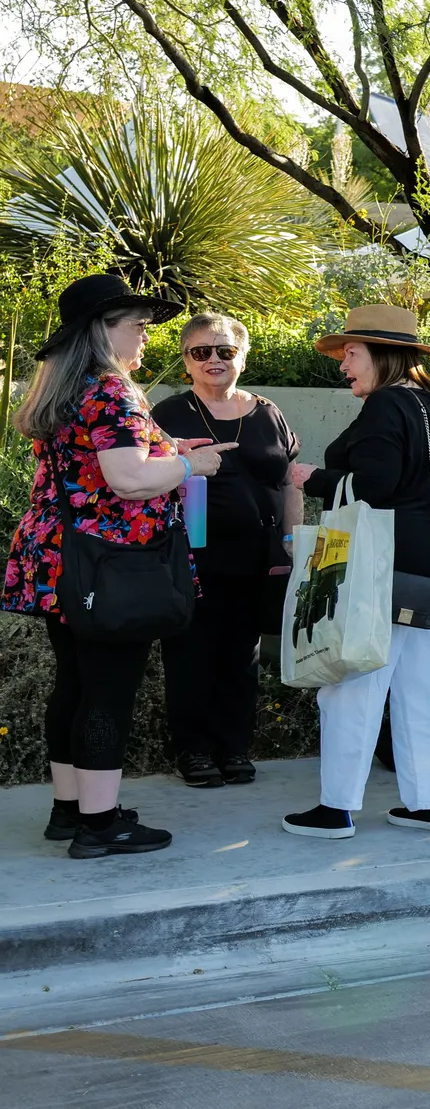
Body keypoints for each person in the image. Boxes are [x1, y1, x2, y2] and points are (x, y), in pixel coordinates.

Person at [5, 274, 211, 858]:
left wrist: (169, 454)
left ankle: (69, 811)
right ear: (101, 332)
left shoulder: (65, 391)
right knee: (108, 691)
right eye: (136, 326)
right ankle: (101, 824)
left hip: (61, 557)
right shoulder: (112, 392)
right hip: (109, 565)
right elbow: (128, 480)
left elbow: (104, 469)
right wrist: (191, 468)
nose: (146, 336)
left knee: (73, 682)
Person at [280, 305, 430, 838]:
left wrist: (316, 478)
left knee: (352, 674)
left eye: (352, 353)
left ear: (382, 355)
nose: (343, 365)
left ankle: (336, 807)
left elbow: (376, 486)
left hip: (387, 557)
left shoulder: (387, 404)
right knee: (427, 682)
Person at [155, 312, 300, 789]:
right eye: (201, 352)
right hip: (193, 554)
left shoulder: (268, 412)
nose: (213, 360)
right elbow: (148, 479)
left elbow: (289, 479)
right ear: (186, 360)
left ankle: (235, 746)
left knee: (243, 654)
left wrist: (293, 538)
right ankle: (195, 751)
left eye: (224, 351)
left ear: (243, 356)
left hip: (259, 556)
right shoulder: (169, 413)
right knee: (191, 653)